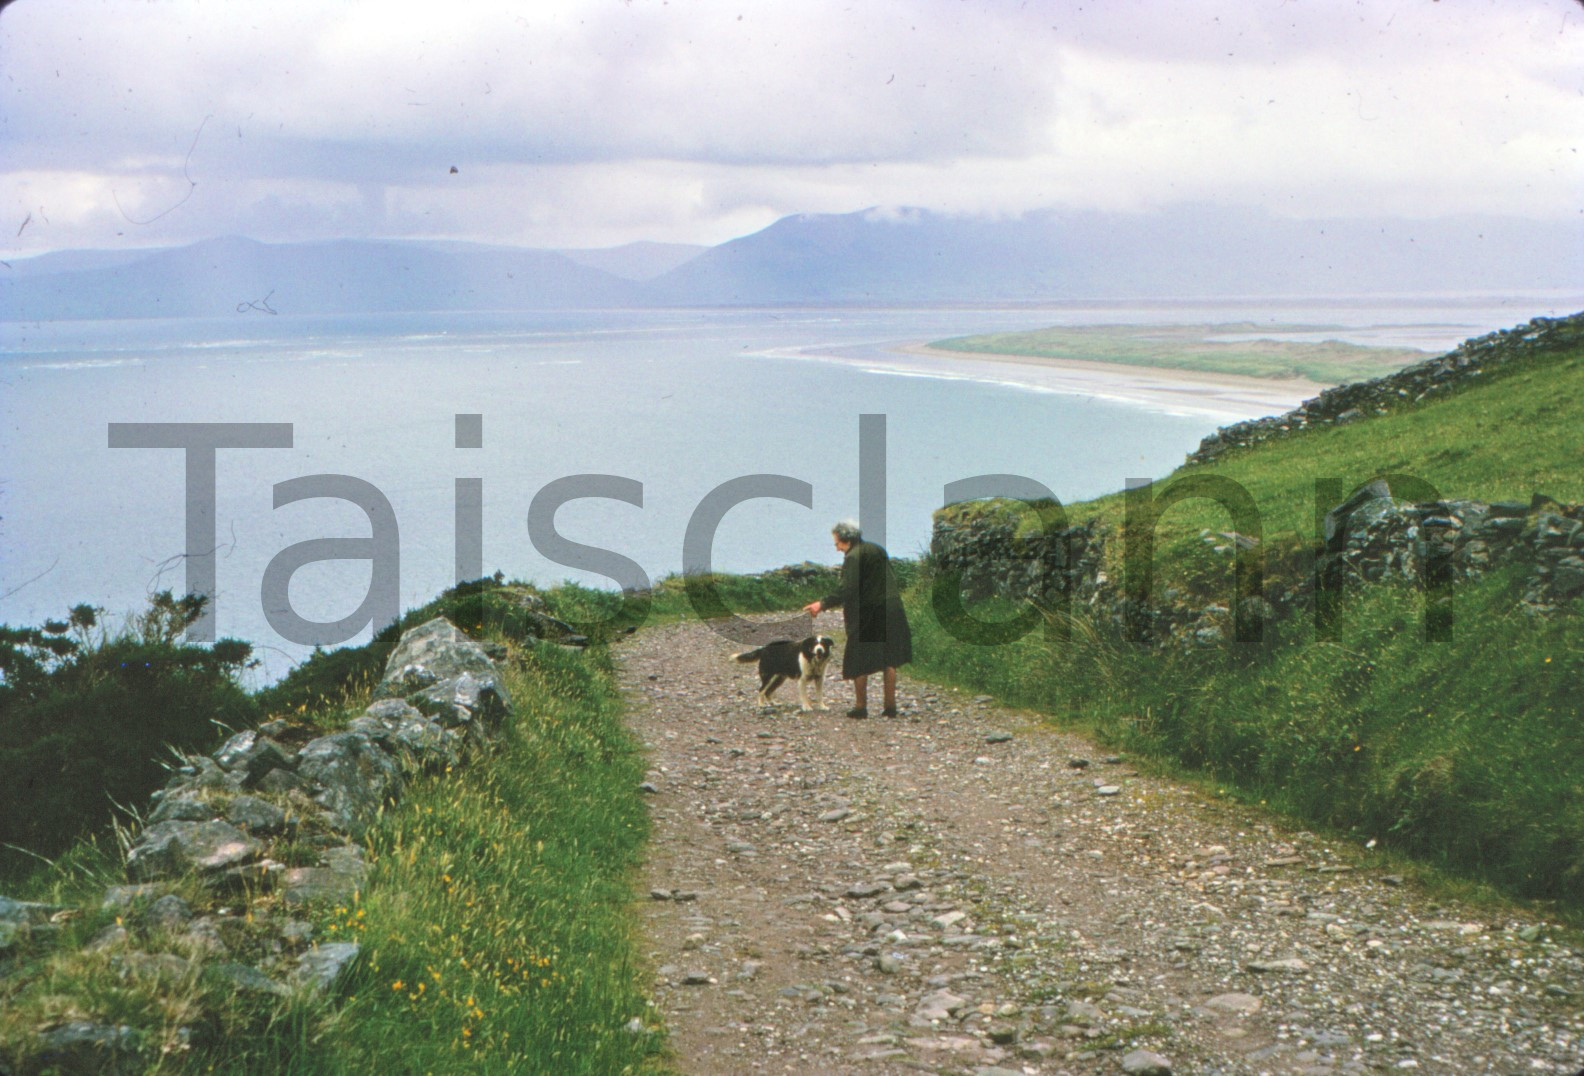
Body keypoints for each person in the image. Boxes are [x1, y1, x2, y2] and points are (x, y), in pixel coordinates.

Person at [803, 520, 912, 718]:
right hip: (892, 608)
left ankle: (861, 707)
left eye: (837, 543)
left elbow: (848, 589)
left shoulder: (853, 557)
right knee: (890, 657)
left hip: (868, 612)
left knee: (860, 657)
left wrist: (822, 604)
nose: (837, 548)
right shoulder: (877, 549)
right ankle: (890, 707)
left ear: (846, 540)